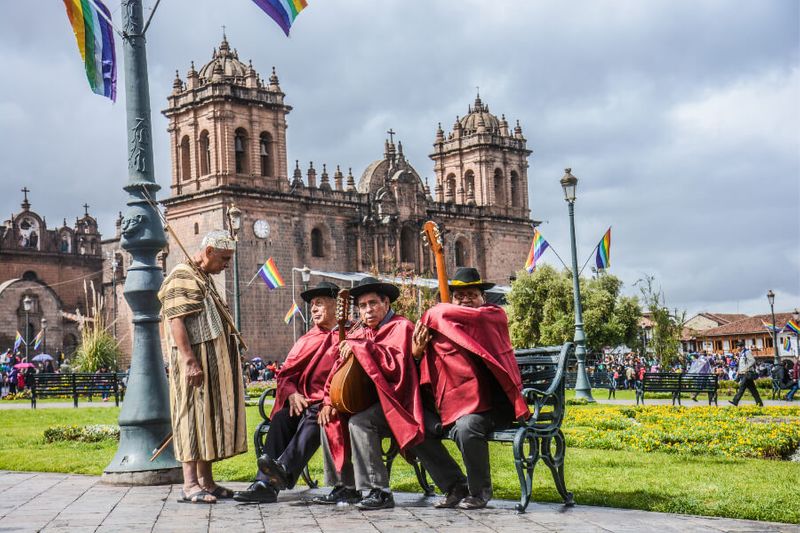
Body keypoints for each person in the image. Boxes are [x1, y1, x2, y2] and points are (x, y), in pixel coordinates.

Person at [410, 267, 529, 510]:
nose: (465, 300)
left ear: (483, 297)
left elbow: (442, 314)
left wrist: (437, 312)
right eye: (458, 296)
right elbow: (426, 367)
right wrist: (417, 352)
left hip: (492, 405)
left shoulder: (492, 315)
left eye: (471, 294)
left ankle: (479, 491)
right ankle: (455, 485)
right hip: (449, 404)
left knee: (467, 427)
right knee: (412, 428)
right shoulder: (444, 326)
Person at [316, 277, 423, 510]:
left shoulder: (401, 327)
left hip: (397, 402)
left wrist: (362, 347)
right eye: (362, 306)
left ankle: (380, 491)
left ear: (386, 303)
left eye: (373, 303)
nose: (367, 310)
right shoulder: (359, 332)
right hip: (368, 400)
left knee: (359, 422)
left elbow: (397, 367)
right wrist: (329, 400)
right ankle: (345, 487)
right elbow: (338, 370)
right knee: (330, 416)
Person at [158, 230, 248, 504]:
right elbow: (176, 320)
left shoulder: (203, 277)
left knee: (207, 418)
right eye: (223, 258)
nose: (226, 264)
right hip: (196, 363)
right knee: (192, 417)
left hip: (211, 364)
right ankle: (189, 484)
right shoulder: (182, 275)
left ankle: (206, 482)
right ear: (208, 251)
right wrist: (189, 361)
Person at [234, 281, 342, 504]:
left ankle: (283, 469)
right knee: (283, 417)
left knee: (315, 417)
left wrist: (327, 400)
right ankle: (264, 483)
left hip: (333, 402)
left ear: (336, 306)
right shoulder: (308, 339)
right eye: (312, 305)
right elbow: (286, 375)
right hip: (303, 401)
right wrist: (292, 394)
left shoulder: (348, 335)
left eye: (319, 303)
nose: (313, 309)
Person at [728, 341, 763, 407]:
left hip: (746, 374)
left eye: (738, 347)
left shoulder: (747, 352)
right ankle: (759, 403)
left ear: (742, 347)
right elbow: (741, 365)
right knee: (753, 390)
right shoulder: (741, 354)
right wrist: (738, 372)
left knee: (741, 388)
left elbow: (753, 361)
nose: (737, 348)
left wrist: (747, 367)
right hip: (743, 374)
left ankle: (735, 401)